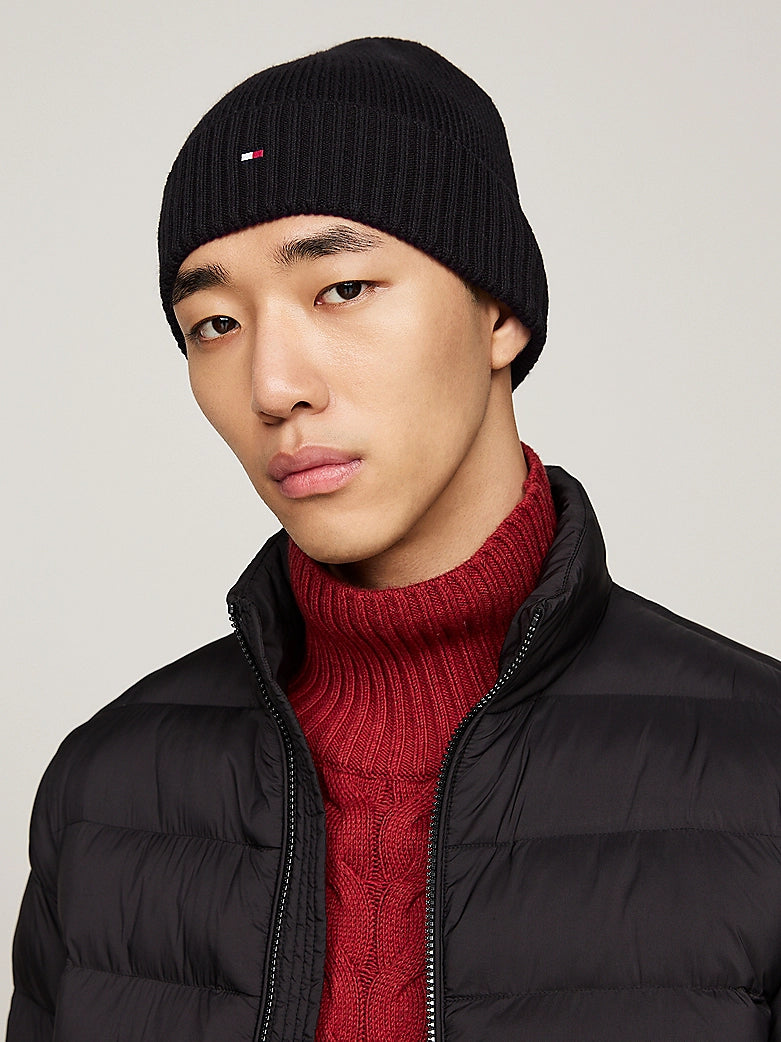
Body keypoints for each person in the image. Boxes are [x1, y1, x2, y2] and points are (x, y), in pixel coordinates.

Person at [7, 36, 781, 1042]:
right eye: (213, 323)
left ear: (498, 313)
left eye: (341, 289)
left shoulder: (760, 768)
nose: (273, 386)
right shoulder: (105, 789)